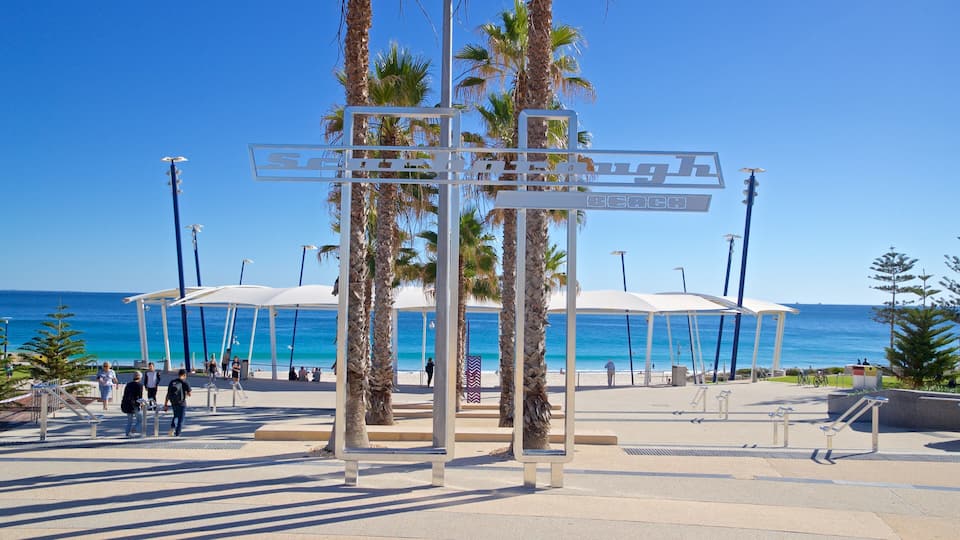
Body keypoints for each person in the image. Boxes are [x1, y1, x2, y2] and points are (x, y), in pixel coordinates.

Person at [163, 369, 192, 436]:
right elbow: (190, 394)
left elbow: (168, 394)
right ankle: (177, 434)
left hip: (173, 403)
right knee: (181, 419)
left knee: (175, 416)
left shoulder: (172, 382)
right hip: (182, 403)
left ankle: (172, 428)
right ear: (184, 375)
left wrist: (165, 404)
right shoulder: (185, 382)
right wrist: (186, 394)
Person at [120, 371, 144, 437]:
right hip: (135, 404)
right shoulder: (140, 385)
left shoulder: (128, 384)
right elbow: (140, 396)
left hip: (127, 404)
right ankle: (134, 430)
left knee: (129, 421)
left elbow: (125, 395)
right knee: (140, 420)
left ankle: (127, 434)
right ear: (140, 377)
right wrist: (141, 404)